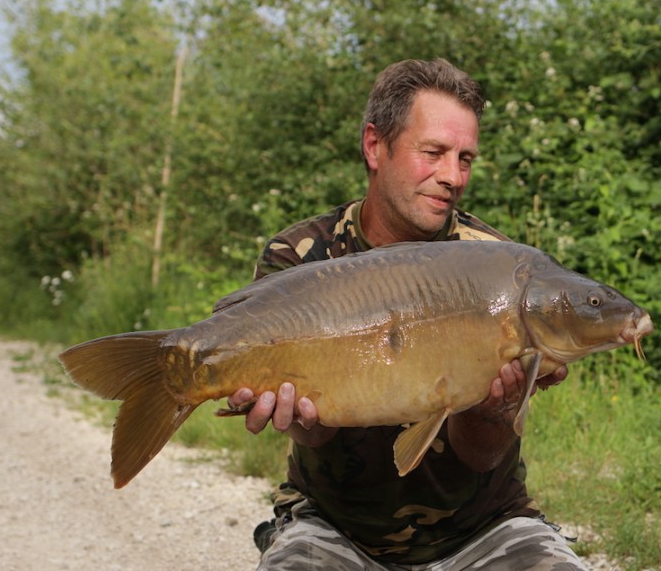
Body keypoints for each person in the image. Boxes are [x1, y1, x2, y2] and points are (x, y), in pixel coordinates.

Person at [227, 58, 590, 570]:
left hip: (482, 528)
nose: (452, 176)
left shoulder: (499, 268)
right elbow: (315, 437)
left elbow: (483, 456)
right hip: (335, 526)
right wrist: (298, 418)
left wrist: (493, 407)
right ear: (375, 146)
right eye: (434, 153)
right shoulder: (301, 256)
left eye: (465, 158)